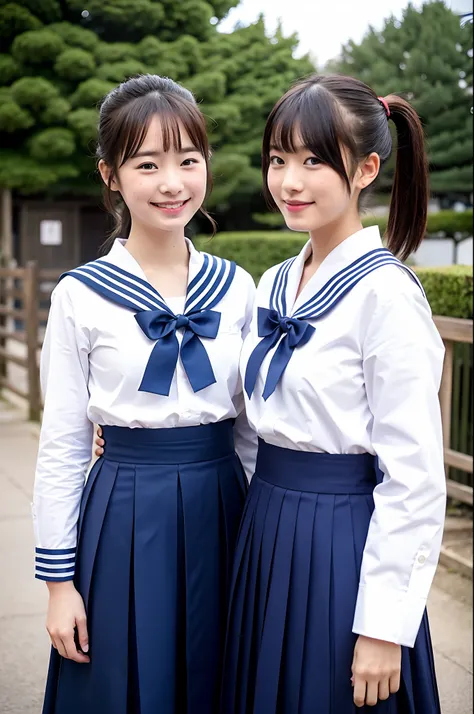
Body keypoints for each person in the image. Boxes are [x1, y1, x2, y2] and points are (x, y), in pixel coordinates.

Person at [221, 74, 446, 713]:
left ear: (367, 168)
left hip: (342, 540)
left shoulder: (387, 295)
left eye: (314, 160)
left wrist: (384, 624)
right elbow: (243, 419)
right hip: (265, 529)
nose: (290, 181)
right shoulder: (272, 284)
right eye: (278, 159)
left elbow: (415, 477)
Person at [33, 74, 257, 714]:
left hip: (224, 505)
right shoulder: (81, 295)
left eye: (189, 160)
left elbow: (250, 430)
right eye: (148, 163)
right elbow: (64, 446)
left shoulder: (238, 288)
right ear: (111, 174)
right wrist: (58, 583)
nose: (173, 182)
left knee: (220, 681)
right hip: (126, 508)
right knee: (124, 682)